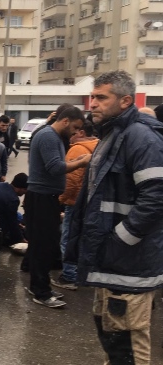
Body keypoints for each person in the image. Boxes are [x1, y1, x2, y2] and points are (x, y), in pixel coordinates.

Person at [66, 70, 163, 363]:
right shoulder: (113, 135)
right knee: (113, 338)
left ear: (125, 101)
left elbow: (156, 197)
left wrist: (119, 239)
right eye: (92, 97)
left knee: (128, 346)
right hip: (112, 261)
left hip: (128, 264)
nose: (92, 103)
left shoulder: (141, 138)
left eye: (101, 97)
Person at [23, 105, 90, 308]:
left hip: (45, 196)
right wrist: (81, 162)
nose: (77, 132)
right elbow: (54, 168)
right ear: (65, 120)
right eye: (75, 127)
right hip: (42, 197)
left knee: (42, 245)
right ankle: (41, 292)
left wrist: (76, 160)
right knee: (44, 246)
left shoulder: (52, 136)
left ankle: (39, 286)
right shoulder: (49, 136)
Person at [51, 119, 98, 291]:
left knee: (68, 238)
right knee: (84, 239)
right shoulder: (98, 146)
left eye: (74, 131)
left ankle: (69, 275)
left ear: (81, 133)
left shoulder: (77, 149)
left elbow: (70, 180)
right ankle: (82, 273)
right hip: (91, 202)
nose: (71, 135)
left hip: (75, 202)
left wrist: (60, 200)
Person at [0, 173, 28, 247]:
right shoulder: (13, 199)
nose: (24, 193)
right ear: (21, 188)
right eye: (25, 190)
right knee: (21, 226)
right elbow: (12, 223)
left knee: (18, 217)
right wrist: (21, 239)